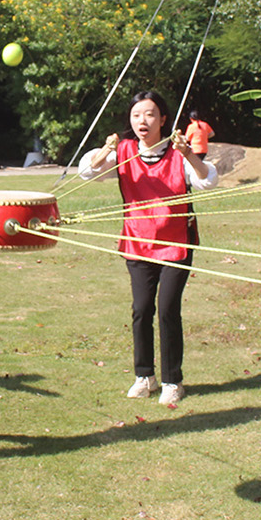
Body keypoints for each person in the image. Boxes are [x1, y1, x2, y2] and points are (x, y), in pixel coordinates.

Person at [81, 92, 219, 406]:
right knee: (142, 309)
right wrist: (107, 148)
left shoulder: (178, 152)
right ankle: (145, 376)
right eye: (136, 115)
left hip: (176, 244)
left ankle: (172, 381)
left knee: (168, 309)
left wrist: (189, 154)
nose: (142, 121)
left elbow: (207, 180)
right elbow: (88, 172)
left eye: (150, 114)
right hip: (137, 243)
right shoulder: (123, 151)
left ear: (163, 119)